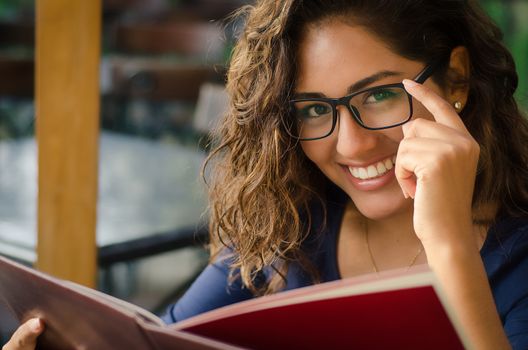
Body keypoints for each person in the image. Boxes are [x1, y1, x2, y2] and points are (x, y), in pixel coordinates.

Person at [5, 0, 528, 349]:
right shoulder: (295, 226)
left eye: (381, 94)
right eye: (313, 109)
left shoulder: (518, 250)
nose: (351, 144)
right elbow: (158, 339)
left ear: (454, 78)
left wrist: (450, 244)